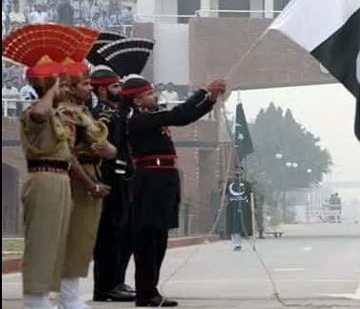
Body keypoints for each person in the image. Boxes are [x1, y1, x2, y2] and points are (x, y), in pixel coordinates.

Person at [2, 24, 108, 309]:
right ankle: (34, 299)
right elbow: (39, 112)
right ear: (49, 87)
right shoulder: (34, 111)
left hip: (60, 179)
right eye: (59, 84)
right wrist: (50, 91)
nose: (64, 89)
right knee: (42, 241)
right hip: (43, 176)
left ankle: (56, 295)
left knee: (59, 242)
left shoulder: (62, 115)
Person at [122, 74, 226, 307]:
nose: (154, 96)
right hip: (151, 179)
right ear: (137, 101)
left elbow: (186, 116)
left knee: (158, 238)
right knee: (148, 239)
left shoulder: (151, 117)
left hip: (163, 177)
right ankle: (145, 293)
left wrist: (210, 99)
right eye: (148, 94)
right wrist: (202, 92)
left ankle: (151, 291)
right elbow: (180, 116)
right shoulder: (138, 120)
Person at [58, 60, 117, 309]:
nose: (90, 88)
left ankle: (70, 294)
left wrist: (109, 150)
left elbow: (110, 149)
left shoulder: (84, 112)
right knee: (74, 237)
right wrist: (90, 184)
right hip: (78, 176)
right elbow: (67, 154)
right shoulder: (66, 114)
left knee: (85, 237)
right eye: (84, 84)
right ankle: (67, 296)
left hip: (93, 169)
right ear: (70, 88)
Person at [89, 65, 135, 302]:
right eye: (116, 86)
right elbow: (99, 147)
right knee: (109, 234)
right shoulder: (102, 114)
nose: (121, 89)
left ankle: (116, 281)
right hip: (107, 175)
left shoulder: (116, 111)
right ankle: (105, 287)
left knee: (121, 234)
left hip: (120, 175)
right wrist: (114, 154)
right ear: (104, 90)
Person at [225, 174, 253, 251]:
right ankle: (235, 243)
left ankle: (238, 243)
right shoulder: (229, 184)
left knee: (240, 225)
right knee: (233, 225)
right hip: (232, 207)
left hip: (243, 207)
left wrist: (254, 207)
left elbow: (251, 196)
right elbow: (224, 194)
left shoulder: (247, 184)